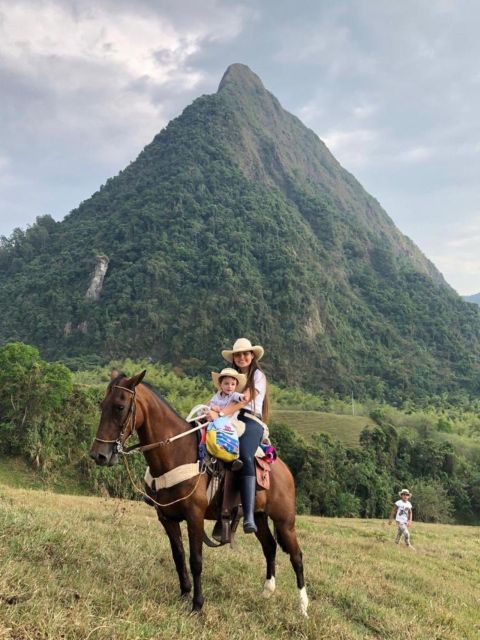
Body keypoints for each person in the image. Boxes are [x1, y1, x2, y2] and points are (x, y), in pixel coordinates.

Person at [207, 337, 268, 534]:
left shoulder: (258, 376)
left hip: (251, 421)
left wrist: (221, 414)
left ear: (252, 356)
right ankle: (221, 509)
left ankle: (248, 516)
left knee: (244, 455)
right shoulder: (230, 378)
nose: (241, 357)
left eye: (245, 354)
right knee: (209, 447)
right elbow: (218, 400)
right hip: (229, 420)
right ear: (234, 358)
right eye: (238, 355)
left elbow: (245, 401)